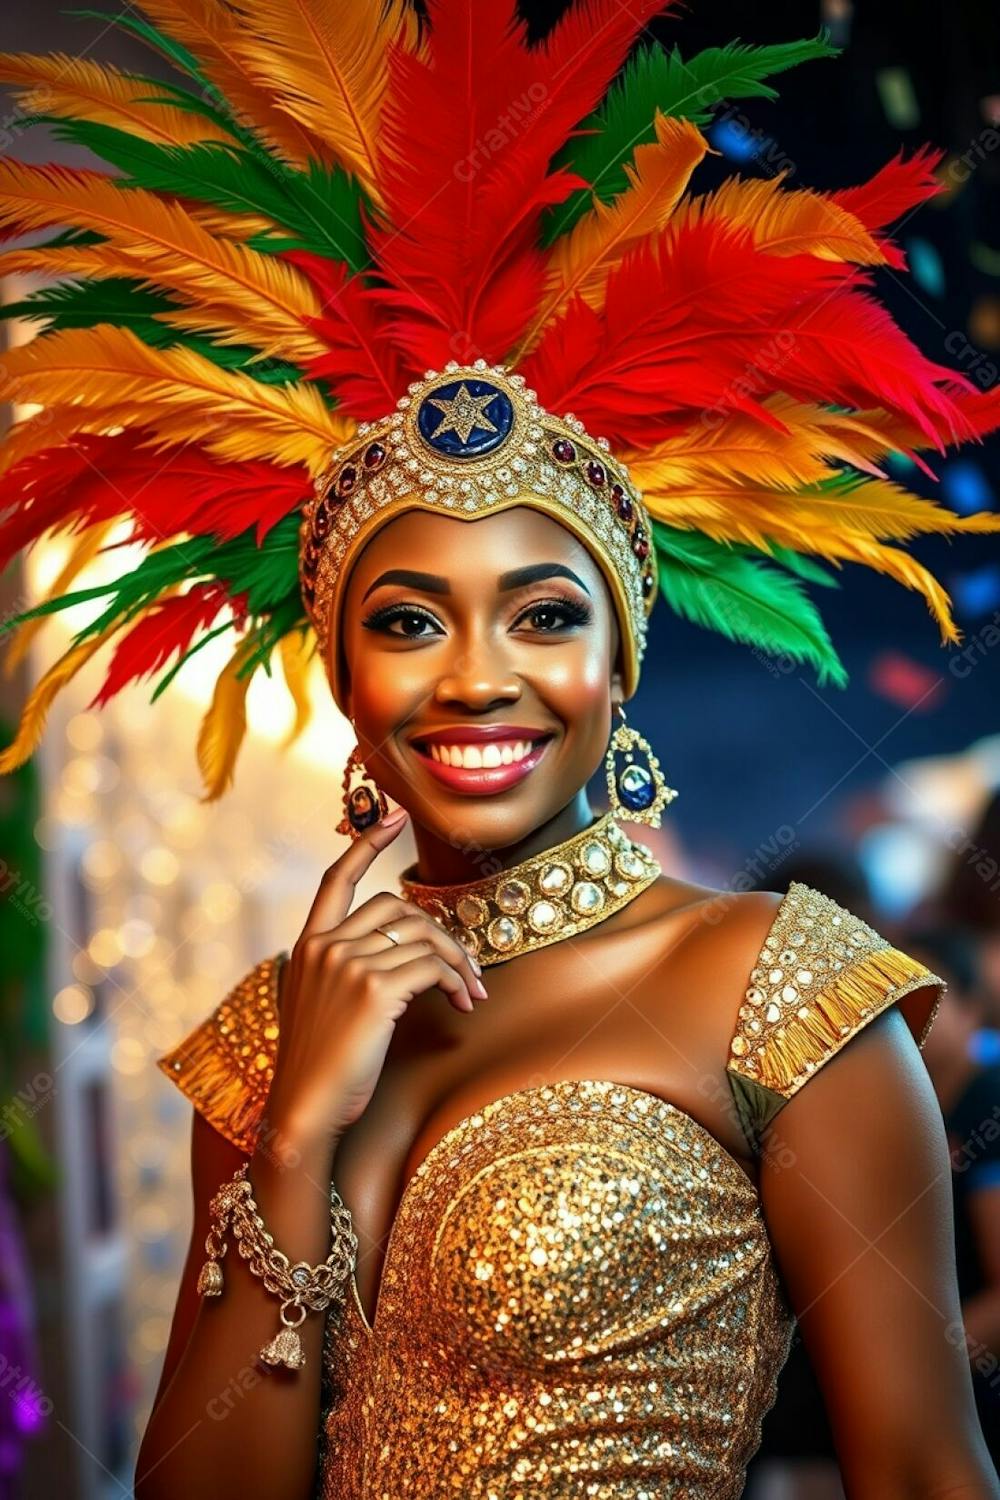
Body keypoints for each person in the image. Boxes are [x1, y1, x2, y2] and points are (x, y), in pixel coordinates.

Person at [1, 2, 1000, 1497]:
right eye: (410, 624)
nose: (477, 681)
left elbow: (927, 1472)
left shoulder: (782, 993)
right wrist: (295, 1141)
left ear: (617, 664)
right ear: (343, 674)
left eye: (541, 617)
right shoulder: (278, 1038)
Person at [913, 925, 1000, 1467]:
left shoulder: (987, 1102)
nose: (906, 1014)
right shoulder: (911, 1103)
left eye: (929, 998)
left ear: (971, 1010)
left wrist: (922, 1372)